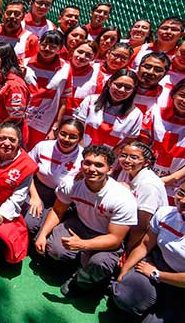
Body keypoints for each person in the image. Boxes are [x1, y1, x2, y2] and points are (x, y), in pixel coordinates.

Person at [35, 145, 137, 297]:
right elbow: (58, 210)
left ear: (109, 169)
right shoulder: (71, 183)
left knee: (99, 264)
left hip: (106, 236)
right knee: (55, 250)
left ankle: (80, 281)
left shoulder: (122, 198)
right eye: (87, 163)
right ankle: (79, 262)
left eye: (99, 165)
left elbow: (115, 239)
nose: (91, 169)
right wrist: (43, 234)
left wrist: (82, 244)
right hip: (79, 225)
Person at [111, 182, 185, 322]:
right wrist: (123, 272)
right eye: (181, 193)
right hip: (157, 264)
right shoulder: (165, 213)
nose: (182, 200)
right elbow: (145, 245)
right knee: (122, 296)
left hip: (179, 284)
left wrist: (156, 274)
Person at [0, 122, 38, 264]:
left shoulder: (27, 165)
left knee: (6, 242)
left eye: (12, 139)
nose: (6, 143)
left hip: (1, 208)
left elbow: (18, 198)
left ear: (19, 142)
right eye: (2, 138)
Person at [25, 118, 84, 236]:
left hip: (63, 199)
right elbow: (27, 171)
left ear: (80, 139)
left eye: (73, 137)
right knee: (29, 225)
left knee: (43, 232)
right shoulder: (43, 146)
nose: (66, 139)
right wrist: (35, 197)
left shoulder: (84, 158)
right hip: (37, 190)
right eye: (63, 134)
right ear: (57, 132)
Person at [114, 141, 168, 253]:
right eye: (123, 155)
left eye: (134, 157)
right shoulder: (127, 172)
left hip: (146, 238)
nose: (127, 160)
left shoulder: (149, 185)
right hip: (126, 226)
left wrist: (128, 251)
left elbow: (142, 225)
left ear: (146, 163)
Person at [23, 30, 72, 149]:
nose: (47, 48)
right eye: (44, 44)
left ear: (60, 49)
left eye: (53, 46)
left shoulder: (65, 69)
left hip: (44, 124)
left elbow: (64, 102)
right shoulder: (25, 64)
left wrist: (55, 127)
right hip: (22, 119)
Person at [141, 78, 185, 203]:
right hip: (146, 177)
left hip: (177, 187)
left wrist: (169, 179)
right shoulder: (155, 112)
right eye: (182, 95)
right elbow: (141, 145)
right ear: (173, 94)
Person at [74, 68, 143, 149]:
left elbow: (127, 143)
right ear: (110, 83)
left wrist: (106, 159)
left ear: (133, 90)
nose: (122, 90)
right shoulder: (90, 101)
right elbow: (78, 128)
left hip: (109, 160)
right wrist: (84, 152)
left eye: (128, 88)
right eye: (118, 85)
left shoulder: (136, 115)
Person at [67, 40, 104, 111]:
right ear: (73, 51)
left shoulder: (97, 76)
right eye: (80, 52)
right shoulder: (61, 68)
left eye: (88, 55)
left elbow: (97, 101)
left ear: (93, 58)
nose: (82, 57)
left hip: (78, 118)